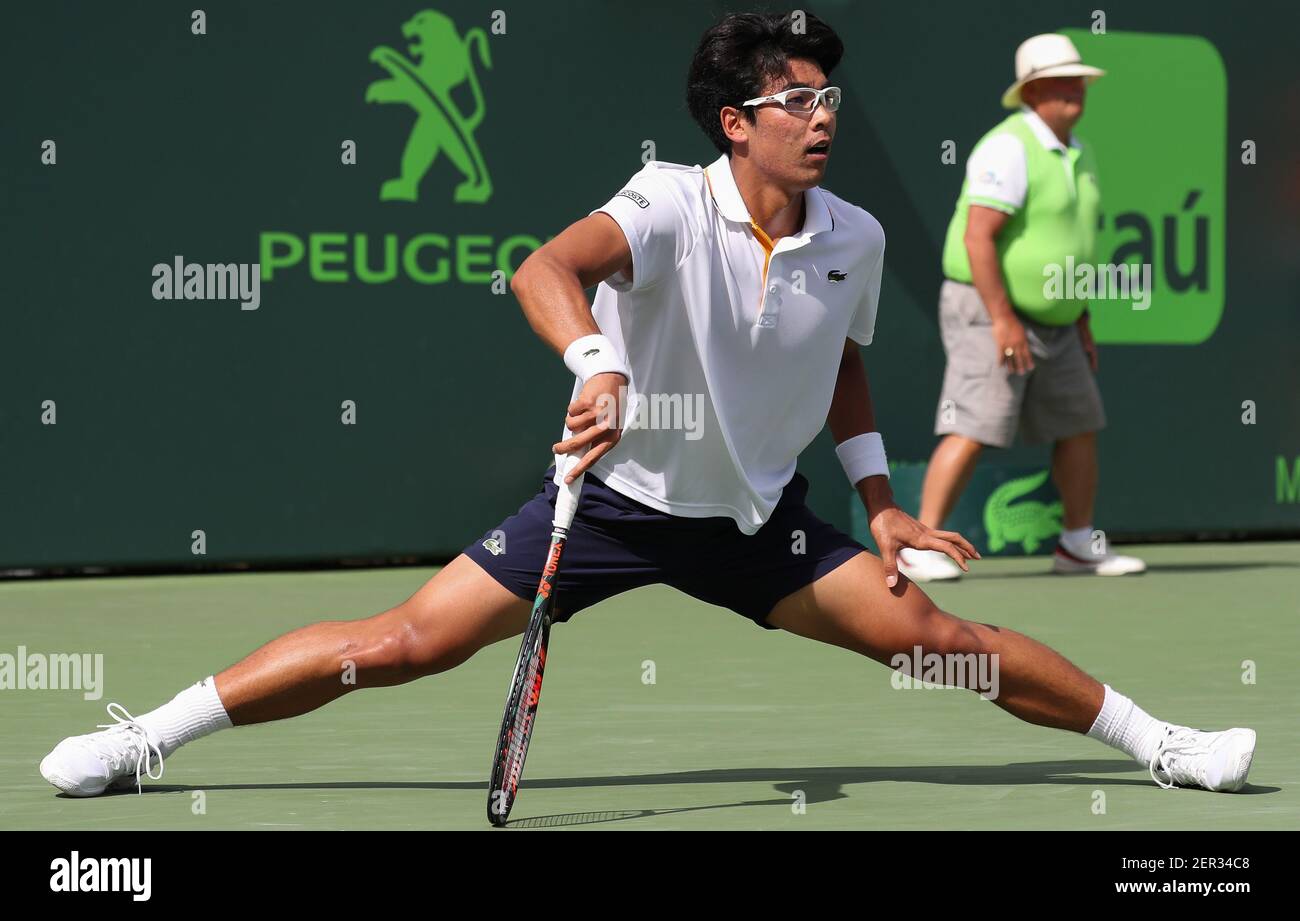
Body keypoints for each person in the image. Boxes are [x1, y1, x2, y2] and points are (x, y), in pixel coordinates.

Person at [40, 13, 1253, 802]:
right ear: (737, 123)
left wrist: (879, 500)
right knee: (399, 647)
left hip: (762, 523)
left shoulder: (858, 236)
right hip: (618, 504)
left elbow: (840, 364)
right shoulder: (665, 204)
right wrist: (594, 365)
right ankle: (144, 739)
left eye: (828, 95)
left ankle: (1161, 747)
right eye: (795, 100)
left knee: (942, 652)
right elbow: (541, 270)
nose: (822, 114)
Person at [899, 33, 1146, 583]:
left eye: (1078, 78)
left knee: (1080, 426)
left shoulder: (1079, 151)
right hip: (990, 310)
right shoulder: (1006, 147)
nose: (1075, 88)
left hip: (1059, 322)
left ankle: (1078, 545)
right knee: (972, 424)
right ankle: (920, 546)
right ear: (1033, 91)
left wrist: (1079, 315)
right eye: (1061, 80)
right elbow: (978, 238)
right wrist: (1005, 318)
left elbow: (1071, 240)